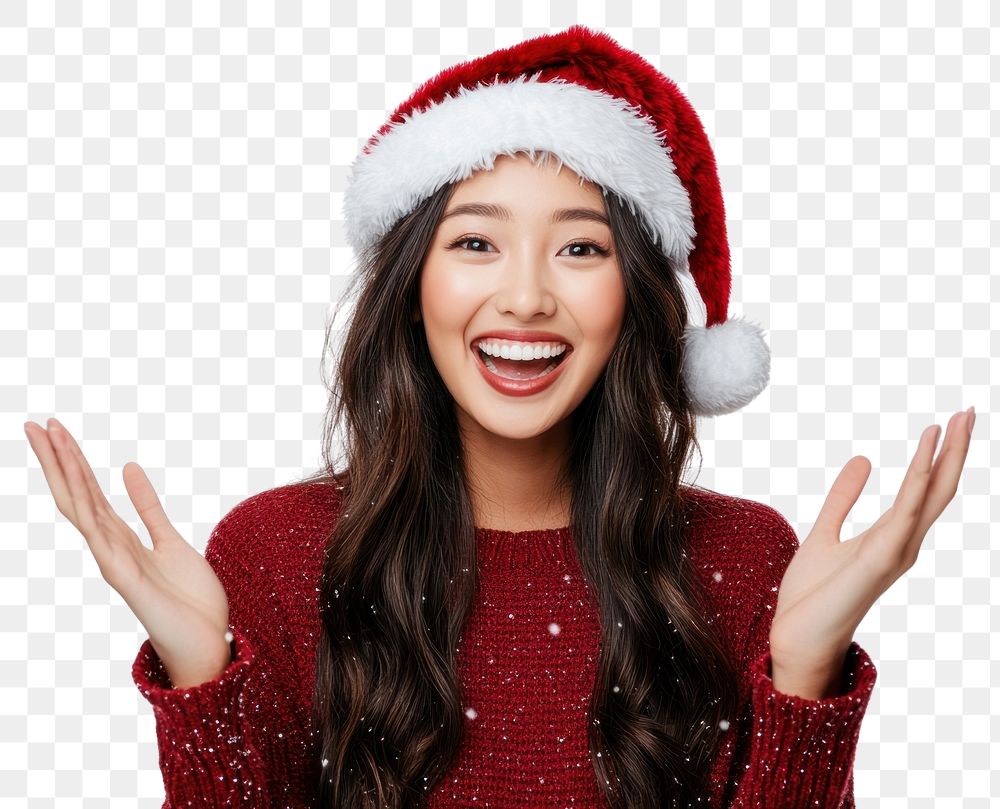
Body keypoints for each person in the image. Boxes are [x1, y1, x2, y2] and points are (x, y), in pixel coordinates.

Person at [23, 25, 974, 809]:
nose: (524, 298)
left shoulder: (745, 563)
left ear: (634, 301)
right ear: (412, 287)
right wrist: (205, 689)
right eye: (475, 240)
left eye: (581, 249)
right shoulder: (274, 558)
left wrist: (803, 682)